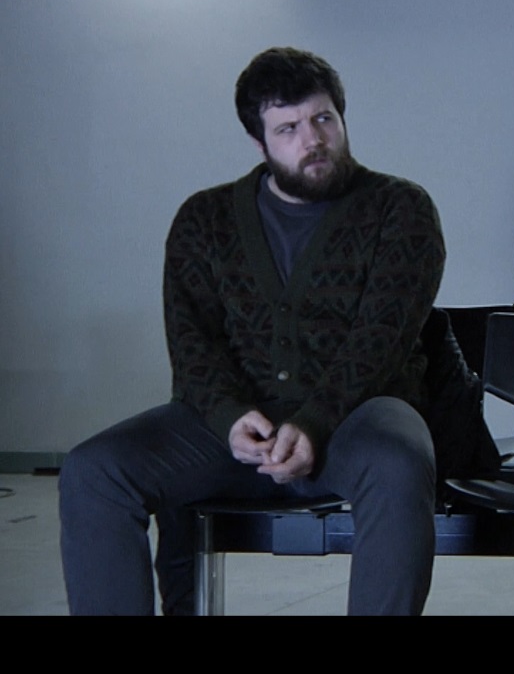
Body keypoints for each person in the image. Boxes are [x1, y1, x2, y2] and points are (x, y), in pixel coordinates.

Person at [59, 47, 452, 615]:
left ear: (342, 118)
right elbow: (192, 345)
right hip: (237, 430)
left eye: (323, 119)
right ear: (259, 142)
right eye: (288, 128)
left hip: (356, 419)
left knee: (399, 461)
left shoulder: (401, 209)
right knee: (94, 470)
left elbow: (381, 340)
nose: (312, 139)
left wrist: (314, 422)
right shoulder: (204, 220)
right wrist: (228, 416)